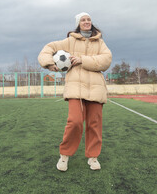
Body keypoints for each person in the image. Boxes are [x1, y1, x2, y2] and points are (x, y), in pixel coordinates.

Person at [38, 12, 112, 171]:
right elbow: (48, 48)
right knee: (75, 122)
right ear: (79, 24)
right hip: (75, 87)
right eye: (83, 20)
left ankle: (93, 157)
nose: (87, 22)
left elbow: (106, 60)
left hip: (96, 88)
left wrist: (82, 60)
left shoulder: (100, 43)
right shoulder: (70, 41)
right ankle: (64, 156)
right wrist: (49, 63)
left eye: (89, 19)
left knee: (94, 124)